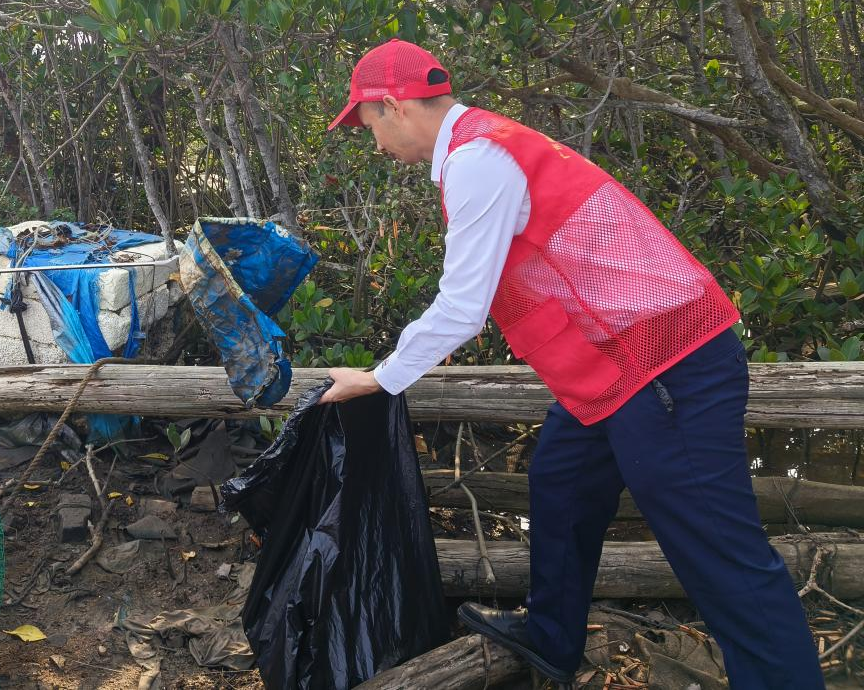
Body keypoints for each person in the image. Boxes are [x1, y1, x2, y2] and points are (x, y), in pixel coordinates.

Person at [320, 39, 823, 688]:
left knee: (721, 555)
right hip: (618, 368)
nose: (376, 145)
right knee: (561, 479)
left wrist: (379, 377)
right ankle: (552, 638)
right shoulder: (488, 142)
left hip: (665, 365)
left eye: (370, 127)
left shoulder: (478, 160)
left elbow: (463, 307)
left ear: (393, 106)